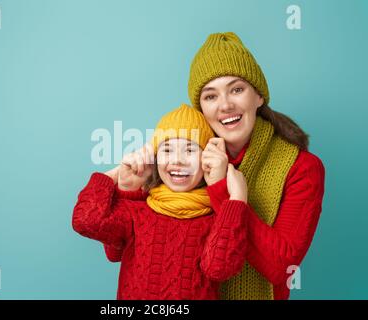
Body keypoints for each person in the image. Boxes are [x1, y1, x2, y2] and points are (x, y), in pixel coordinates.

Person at [105, 32, 326, 300]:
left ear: (258, 96)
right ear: (200, 108)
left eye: (237, 89)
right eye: (210, 96)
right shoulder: (180, 157)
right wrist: (128, 193)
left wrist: (223, 191)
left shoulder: (302, 168)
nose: (225, 105)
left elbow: (281, 267)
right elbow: (119, 251)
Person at [73, 104, 249, 299]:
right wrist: (117, 175)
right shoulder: (137, 212)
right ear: (154, 158)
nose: (178, 161)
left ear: (207, 159)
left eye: (190, 150)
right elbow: (86, 221)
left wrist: (237, 200)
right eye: (167, 150)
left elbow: (219, 269)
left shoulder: (218, 218)